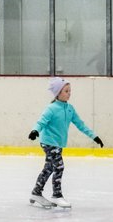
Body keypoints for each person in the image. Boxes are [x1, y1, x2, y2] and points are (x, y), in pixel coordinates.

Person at [28, 77, 103, 209]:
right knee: (59, 166)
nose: (69, 93)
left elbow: (80, 124)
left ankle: (36, 192)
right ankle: (57, 195)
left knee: (49, 168)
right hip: (49, 142)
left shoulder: (70, 109)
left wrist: (94, 136)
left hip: (58, 143)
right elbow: (41, 121)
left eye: (70, 90)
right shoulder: (51, 108)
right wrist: (35, 130)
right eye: (66, 91)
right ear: (58, 93)